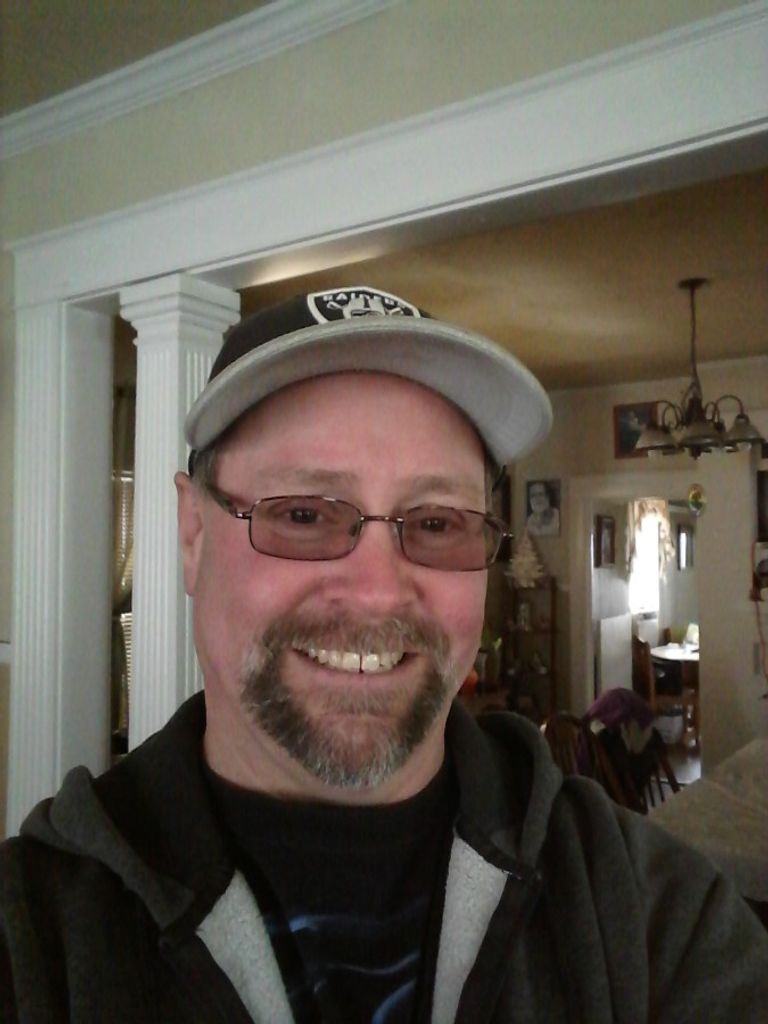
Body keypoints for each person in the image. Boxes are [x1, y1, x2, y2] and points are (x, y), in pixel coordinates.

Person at [1, 284, 766, 1022]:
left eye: (436, 523)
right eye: (303, 514)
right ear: (193, 534)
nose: (376, 594)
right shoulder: (35, 937)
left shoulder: (650, 913)